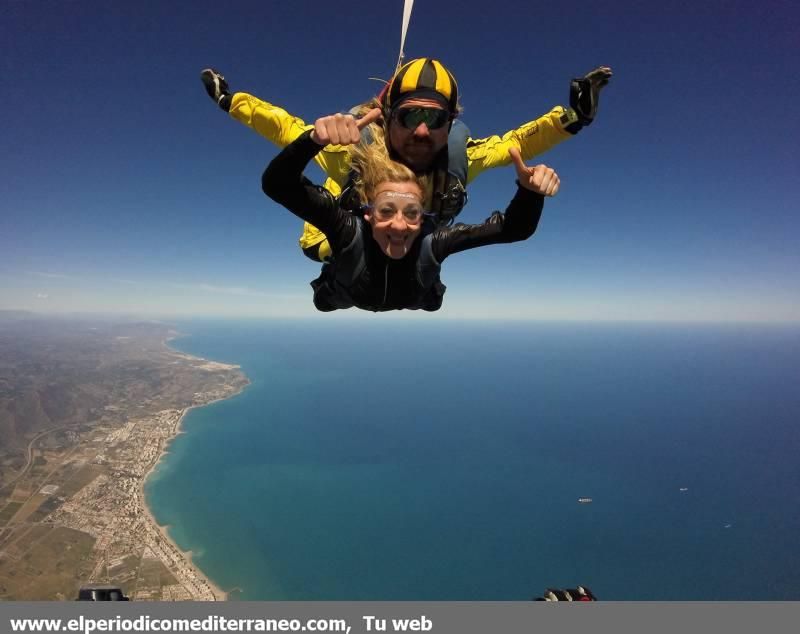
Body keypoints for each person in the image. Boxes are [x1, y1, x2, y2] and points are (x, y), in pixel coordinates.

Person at [202, 59, 610, 262]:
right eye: (410, 114)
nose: (421, 130)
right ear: (388, 114)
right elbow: (281, 127)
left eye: (434, 119)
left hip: (412, 237)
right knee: (342, 246)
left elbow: (517, 142)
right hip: (334, 236)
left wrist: (571, 118)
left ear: (450, 123)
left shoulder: (459, 159)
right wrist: (232, 101)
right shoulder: (350, 153)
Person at [261, 109, 560, 313]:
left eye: (412, 213)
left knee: (429, 301)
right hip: (349, 293)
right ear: (367, 213)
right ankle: (338, 186)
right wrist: (314, 141)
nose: (400, 225)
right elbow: (277, 184)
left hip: (403, 294)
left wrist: (529, 193)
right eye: (387, 211)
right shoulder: (347, 229)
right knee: (323, 300)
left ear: (425, 218)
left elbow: (513, 229)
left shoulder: (434, 239)